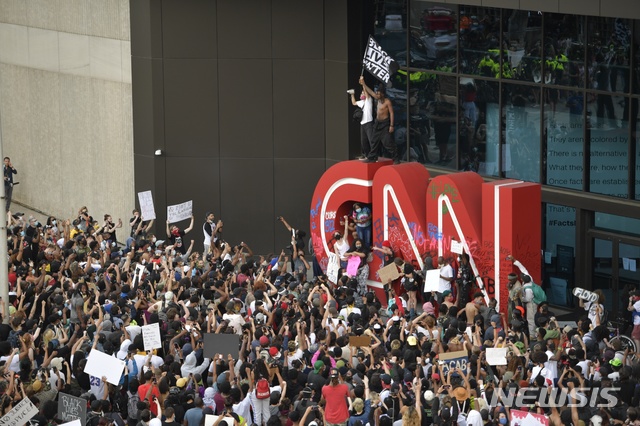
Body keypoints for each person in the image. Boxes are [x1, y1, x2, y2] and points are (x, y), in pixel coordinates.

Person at [359, 77, 399, 164]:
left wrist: (391, 125)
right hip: (377, 123)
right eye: (377, 93)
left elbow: (391, 113)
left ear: (383, 94)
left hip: (385, 124)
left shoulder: (387, 102)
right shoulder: (377, 99)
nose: (377, 94)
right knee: (374, 141)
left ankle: (396, 158)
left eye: (379, 93)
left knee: (387, 143)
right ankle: (372, 157)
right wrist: (363, 84)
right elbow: (371, 92)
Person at [350, 80, 374, 159]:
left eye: (363, 93)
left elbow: (367, 93)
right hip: (363, 124)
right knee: (363, 141)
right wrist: (352, 94)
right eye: (361, 93)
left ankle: (374, 156)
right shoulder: (361, 102)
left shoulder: (368, 100)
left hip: (369, 123)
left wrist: (363, 84)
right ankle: (366, 155)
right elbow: (354, 103)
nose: (362, 94)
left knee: (371, 140)